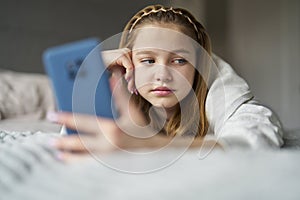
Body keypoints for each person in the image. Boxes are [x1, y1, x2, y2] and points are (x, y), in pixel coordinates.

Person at [47, 5, 284, 160]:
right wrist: (95, 75)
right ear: (129, 62)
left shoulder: (217, 92)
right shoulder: (118, 95)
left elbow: (255, 133)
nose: (162, 75)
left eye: (179, 60)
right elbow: (76, 139)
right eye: (148, 60)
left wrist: (153, 145)